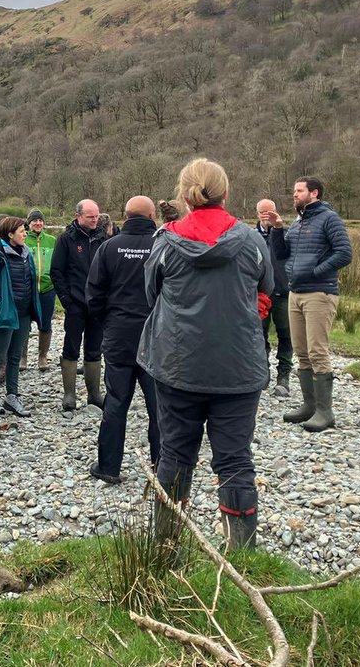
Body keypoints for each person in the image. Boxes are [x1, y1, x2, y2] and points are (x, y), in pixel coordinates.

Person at [138, 158, 274, 550]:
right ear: (226, 193)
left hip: (178, 365)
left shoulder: (165, 242)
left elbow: (153, 295)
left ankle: (166, 546)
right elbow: (267, 289)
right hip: (238, 369)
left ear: (184, 196)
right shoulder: (252, 241)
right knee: (234, 459)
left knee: (175, 453)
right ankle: (242, 558)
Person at [263, 176, 353, 432]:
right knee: (301, 351)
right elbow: (281, 255)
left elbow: (344, 253)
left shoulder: (329, 218)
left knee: (317, 351)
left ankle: (325, 412)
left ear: (314, 193)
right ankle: (309, 406)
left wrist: (316, 271)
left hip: (319, 293)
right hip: (296, 293)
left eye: (299, 191)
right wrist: (278, 229)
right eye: (294, 190)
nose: (294, 194)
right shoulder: (299, 222)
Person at [86, 196, 161, 483]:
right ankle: (162, 467)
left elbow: (93, 295)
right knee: (160, 407)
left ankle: (108, 467)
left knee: (116, 402)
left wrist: (109, 323)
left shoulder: (109, 247)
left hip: (119, 335)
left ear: (125, 215)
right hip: (155, 337)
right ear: (152, 215)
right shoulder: (162, 247)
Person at [51, 199, 108, 410]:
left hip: (98, 303)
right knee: (71, 347)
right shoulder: (66, 239)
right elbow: (56, 271)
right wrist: (66, 299)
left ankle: (94, 394)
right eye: (90, 216)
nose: (95, 220)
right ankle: (69, 395)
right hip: (75, 302)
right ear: (79, 216)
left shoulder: (104, 237)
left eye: (97, 216)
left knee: (95, 348)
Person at [0, 216, 40, 417]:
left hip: (23, 314)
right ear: (10, 234)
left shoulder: (26, 254)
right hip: (5, 315)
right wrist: (1, 308)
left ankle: (11, 396)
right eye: (22, 230)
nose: (25, 233)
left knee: (15, 356)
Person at [255, 199, 293, 397]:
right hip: (259, 294)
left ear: (276, 212)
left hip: (283, 293)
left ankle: (284, 376)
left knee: (285, 335)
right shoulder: (251, 237)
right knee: (259, 335)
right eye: (262, 212)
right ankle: (263, 373)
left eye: (269, 211)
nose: (266, 215)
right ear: (257, 214)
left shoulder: (286, 235)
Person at [22, 209, 57, 371]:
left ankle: (42, 356)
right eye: (34, 221)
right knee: (24, 324)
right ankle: (23, 357)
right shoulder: (22, 239)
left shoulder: (52, 240)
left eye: (40, 220)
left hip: (47, 288)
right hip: (27, 289)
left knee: (45, 324)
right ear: (29, 223)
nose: (38, 223)